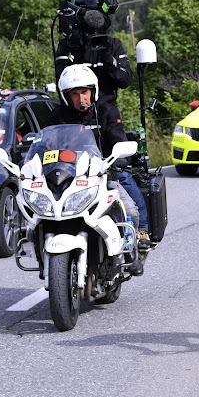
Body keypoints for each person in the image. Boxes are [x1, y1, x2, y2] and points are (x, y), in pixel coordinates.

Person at [49, 64, 147, 275]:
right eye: (74, 94)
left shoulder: (107, 111)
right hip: (69, 175)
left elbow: (118, 138)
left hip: (104, 171)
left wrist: (118, 158)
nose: (80, 98)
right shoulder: (58, 115)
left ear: (92, 91)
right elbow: (48, 145)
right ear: (67, 96)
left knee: (129, 209)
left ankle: (131, 249)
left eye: (84, 92)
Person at [54, 0, 132, 108]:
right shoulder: (68, 45)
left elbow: (124, 80)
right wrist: (77, 48)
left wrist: (107, 57)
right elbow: (62, 81)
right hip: (76, 115)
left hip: (107, 114)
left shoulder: (113, 44)